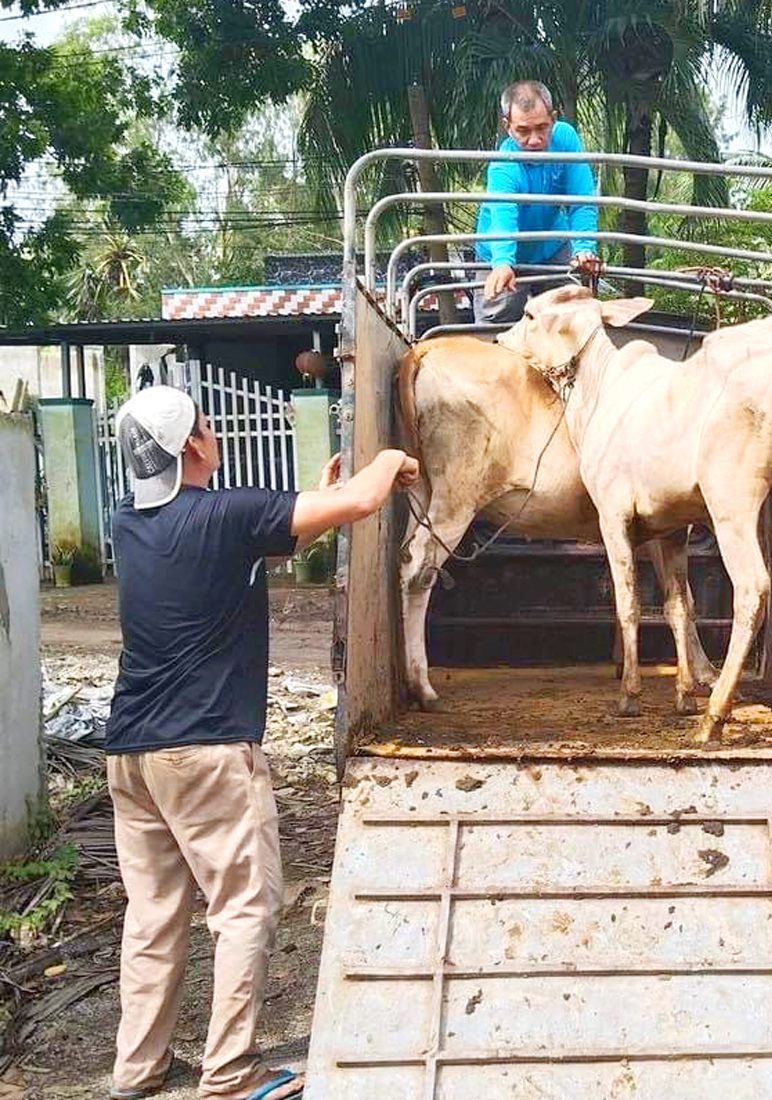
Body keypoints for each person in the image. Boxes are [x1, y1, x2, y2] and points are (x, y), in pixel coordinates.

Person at [104, 385, 419, 1100]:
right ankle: (229, 1076)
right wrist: (396, 455)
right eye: (207, 427)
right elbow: (367, 502)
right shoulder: (225, 513)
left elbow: (252, 548)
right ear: (191, 446)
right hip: (207, 753)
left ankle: (137, 1070)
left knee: (153, 917)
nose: (214, 435)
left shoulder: (132, 523)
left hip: (132, 755)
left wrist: (315, 500)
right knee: (244, 908)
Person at [474, 79, 601, 324]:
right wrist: (503, 264)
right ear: (507, 126)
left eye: (542, 128)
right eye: (523, 131)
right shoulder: (503, 167)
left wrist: (584, 248)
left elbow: (581, 199)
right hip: (503, 253)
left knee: (574, 318)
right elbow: (503, 220)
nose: (534, 140)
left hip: (552, 247)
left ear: (553, 118)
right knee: (495, 324)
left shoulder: (566, 139)